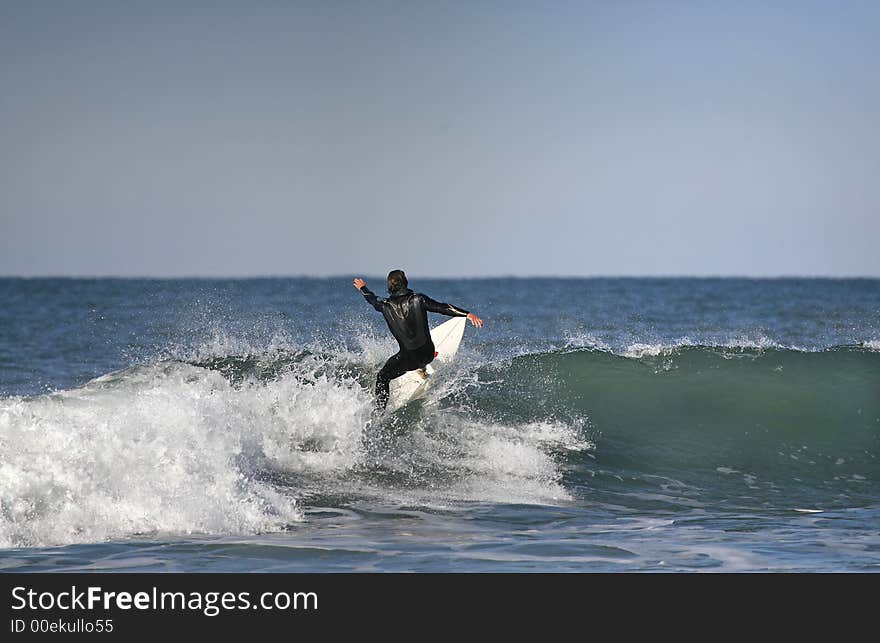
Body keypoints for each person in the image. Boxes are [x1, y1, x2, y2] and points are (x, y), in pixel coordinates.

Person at [353, 270, 483, 411]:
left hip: (407, 361)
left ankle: (379, 411)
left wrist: (363, 288)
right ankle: (422, 367)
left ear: (390, 287)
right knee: (421, 344)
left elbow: (371, 298)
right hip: (428, 353)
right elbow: (442, 307)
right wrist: (467, 314)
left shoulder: (384, 305)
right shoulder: (419, 299)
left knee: (382, 377)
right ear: (406, 283)